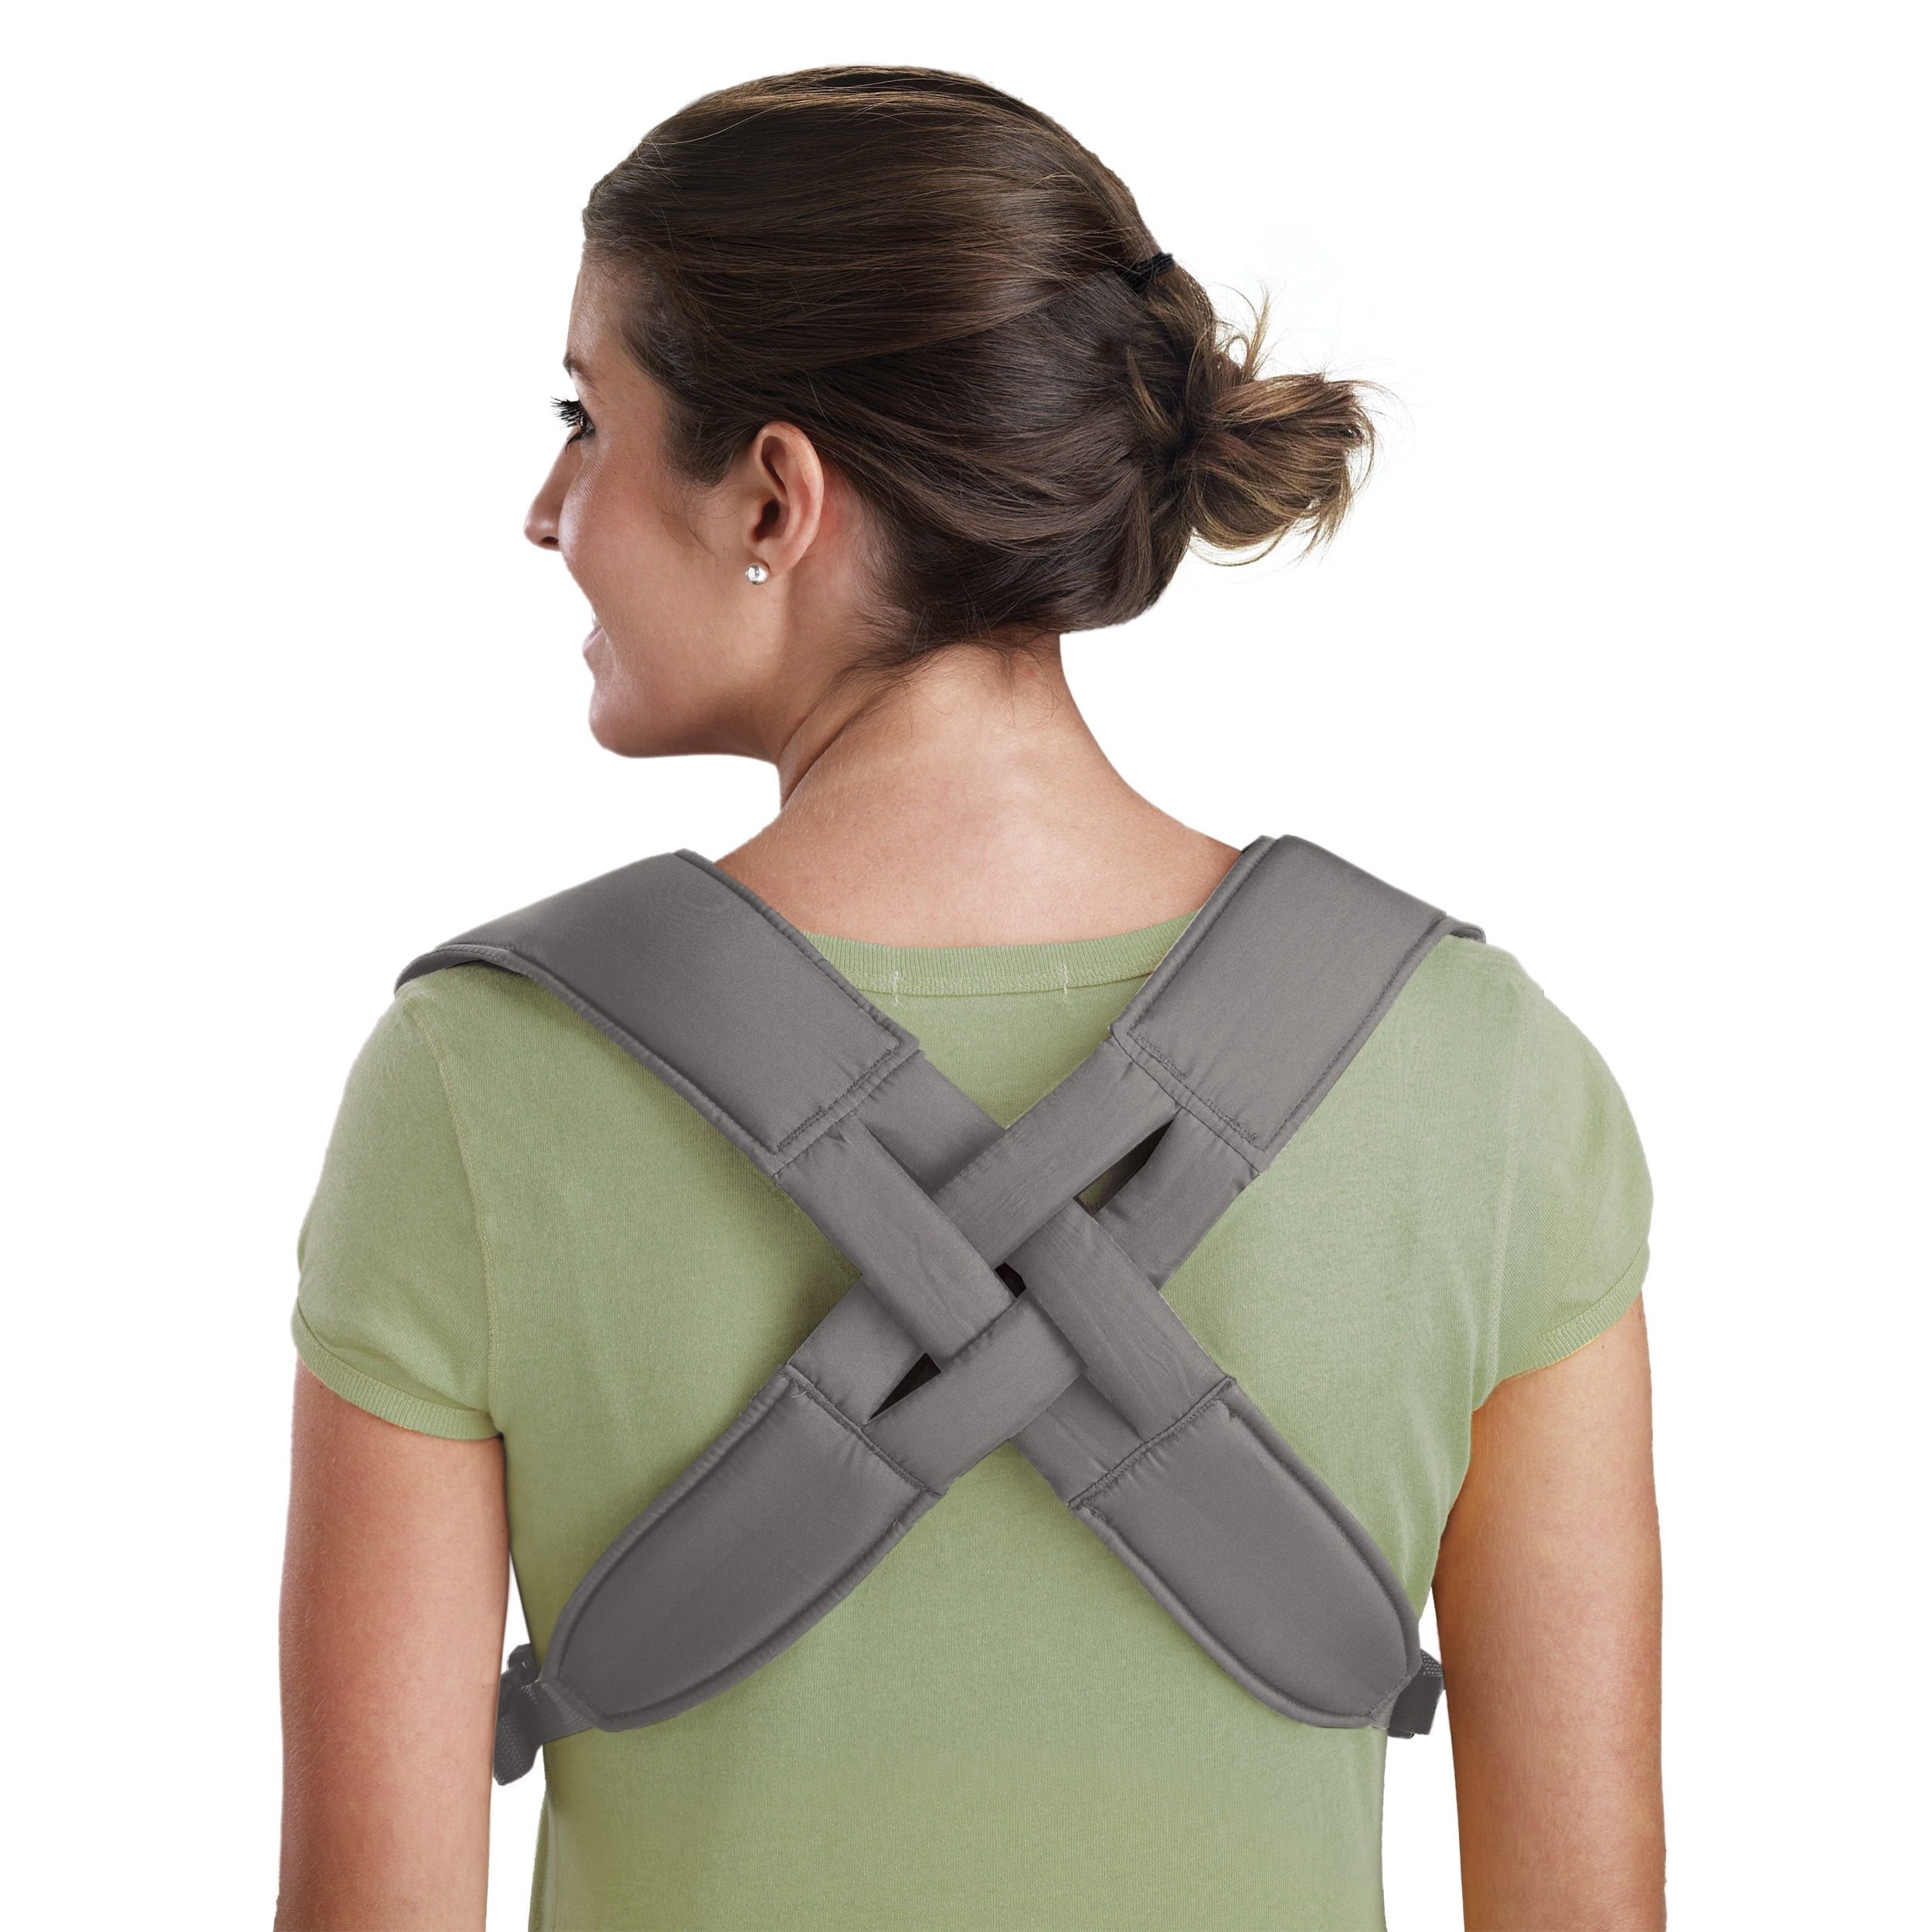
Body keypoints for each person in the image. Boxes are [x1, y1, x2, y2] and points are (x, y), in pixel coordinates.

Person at [276, 66, 1664, 1932]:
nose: (548, 511)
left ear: (774, 495)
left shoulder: (474, 1083)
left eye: (585, 422)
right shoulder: (1485, 1078)